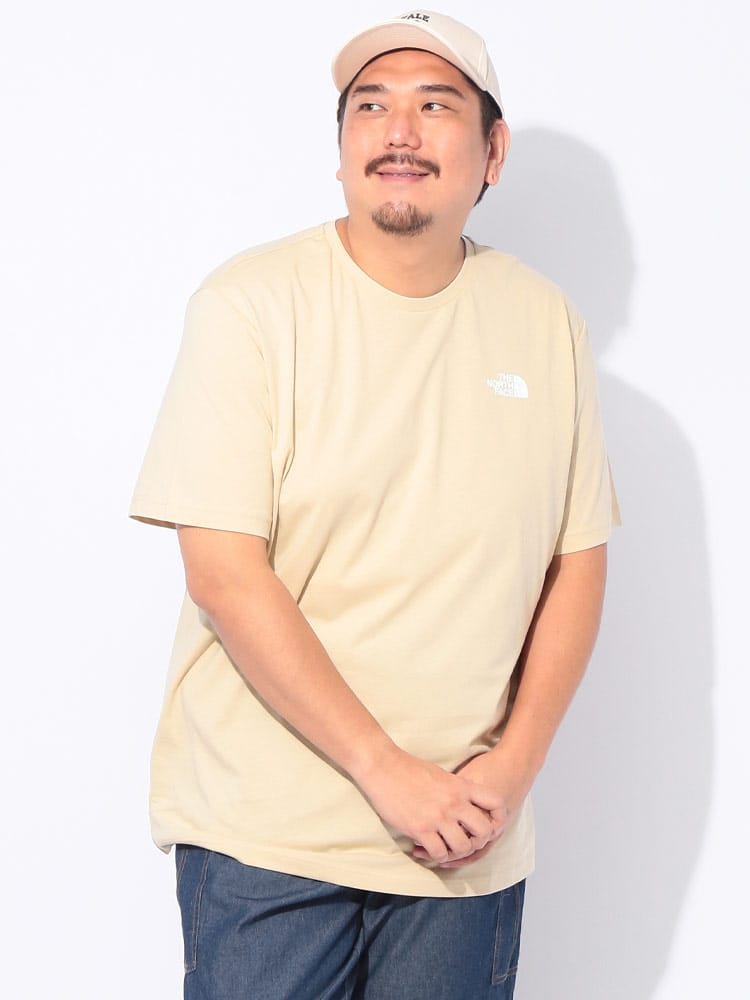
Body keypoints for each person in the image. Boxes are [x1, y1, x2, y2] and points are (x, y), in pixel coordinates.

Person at [130, 9, 619, 999]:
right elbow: (223, 573)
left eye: (435, 106)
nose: (399, 132)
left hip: (465, 841)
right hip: (270, 840)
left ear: (492, 152)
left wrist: (513, 768)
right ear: (342, 147)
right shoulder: (250, 306)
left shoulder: (545, 323)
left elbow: (576, 562)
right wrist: (386, 771)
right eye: (371, 106)